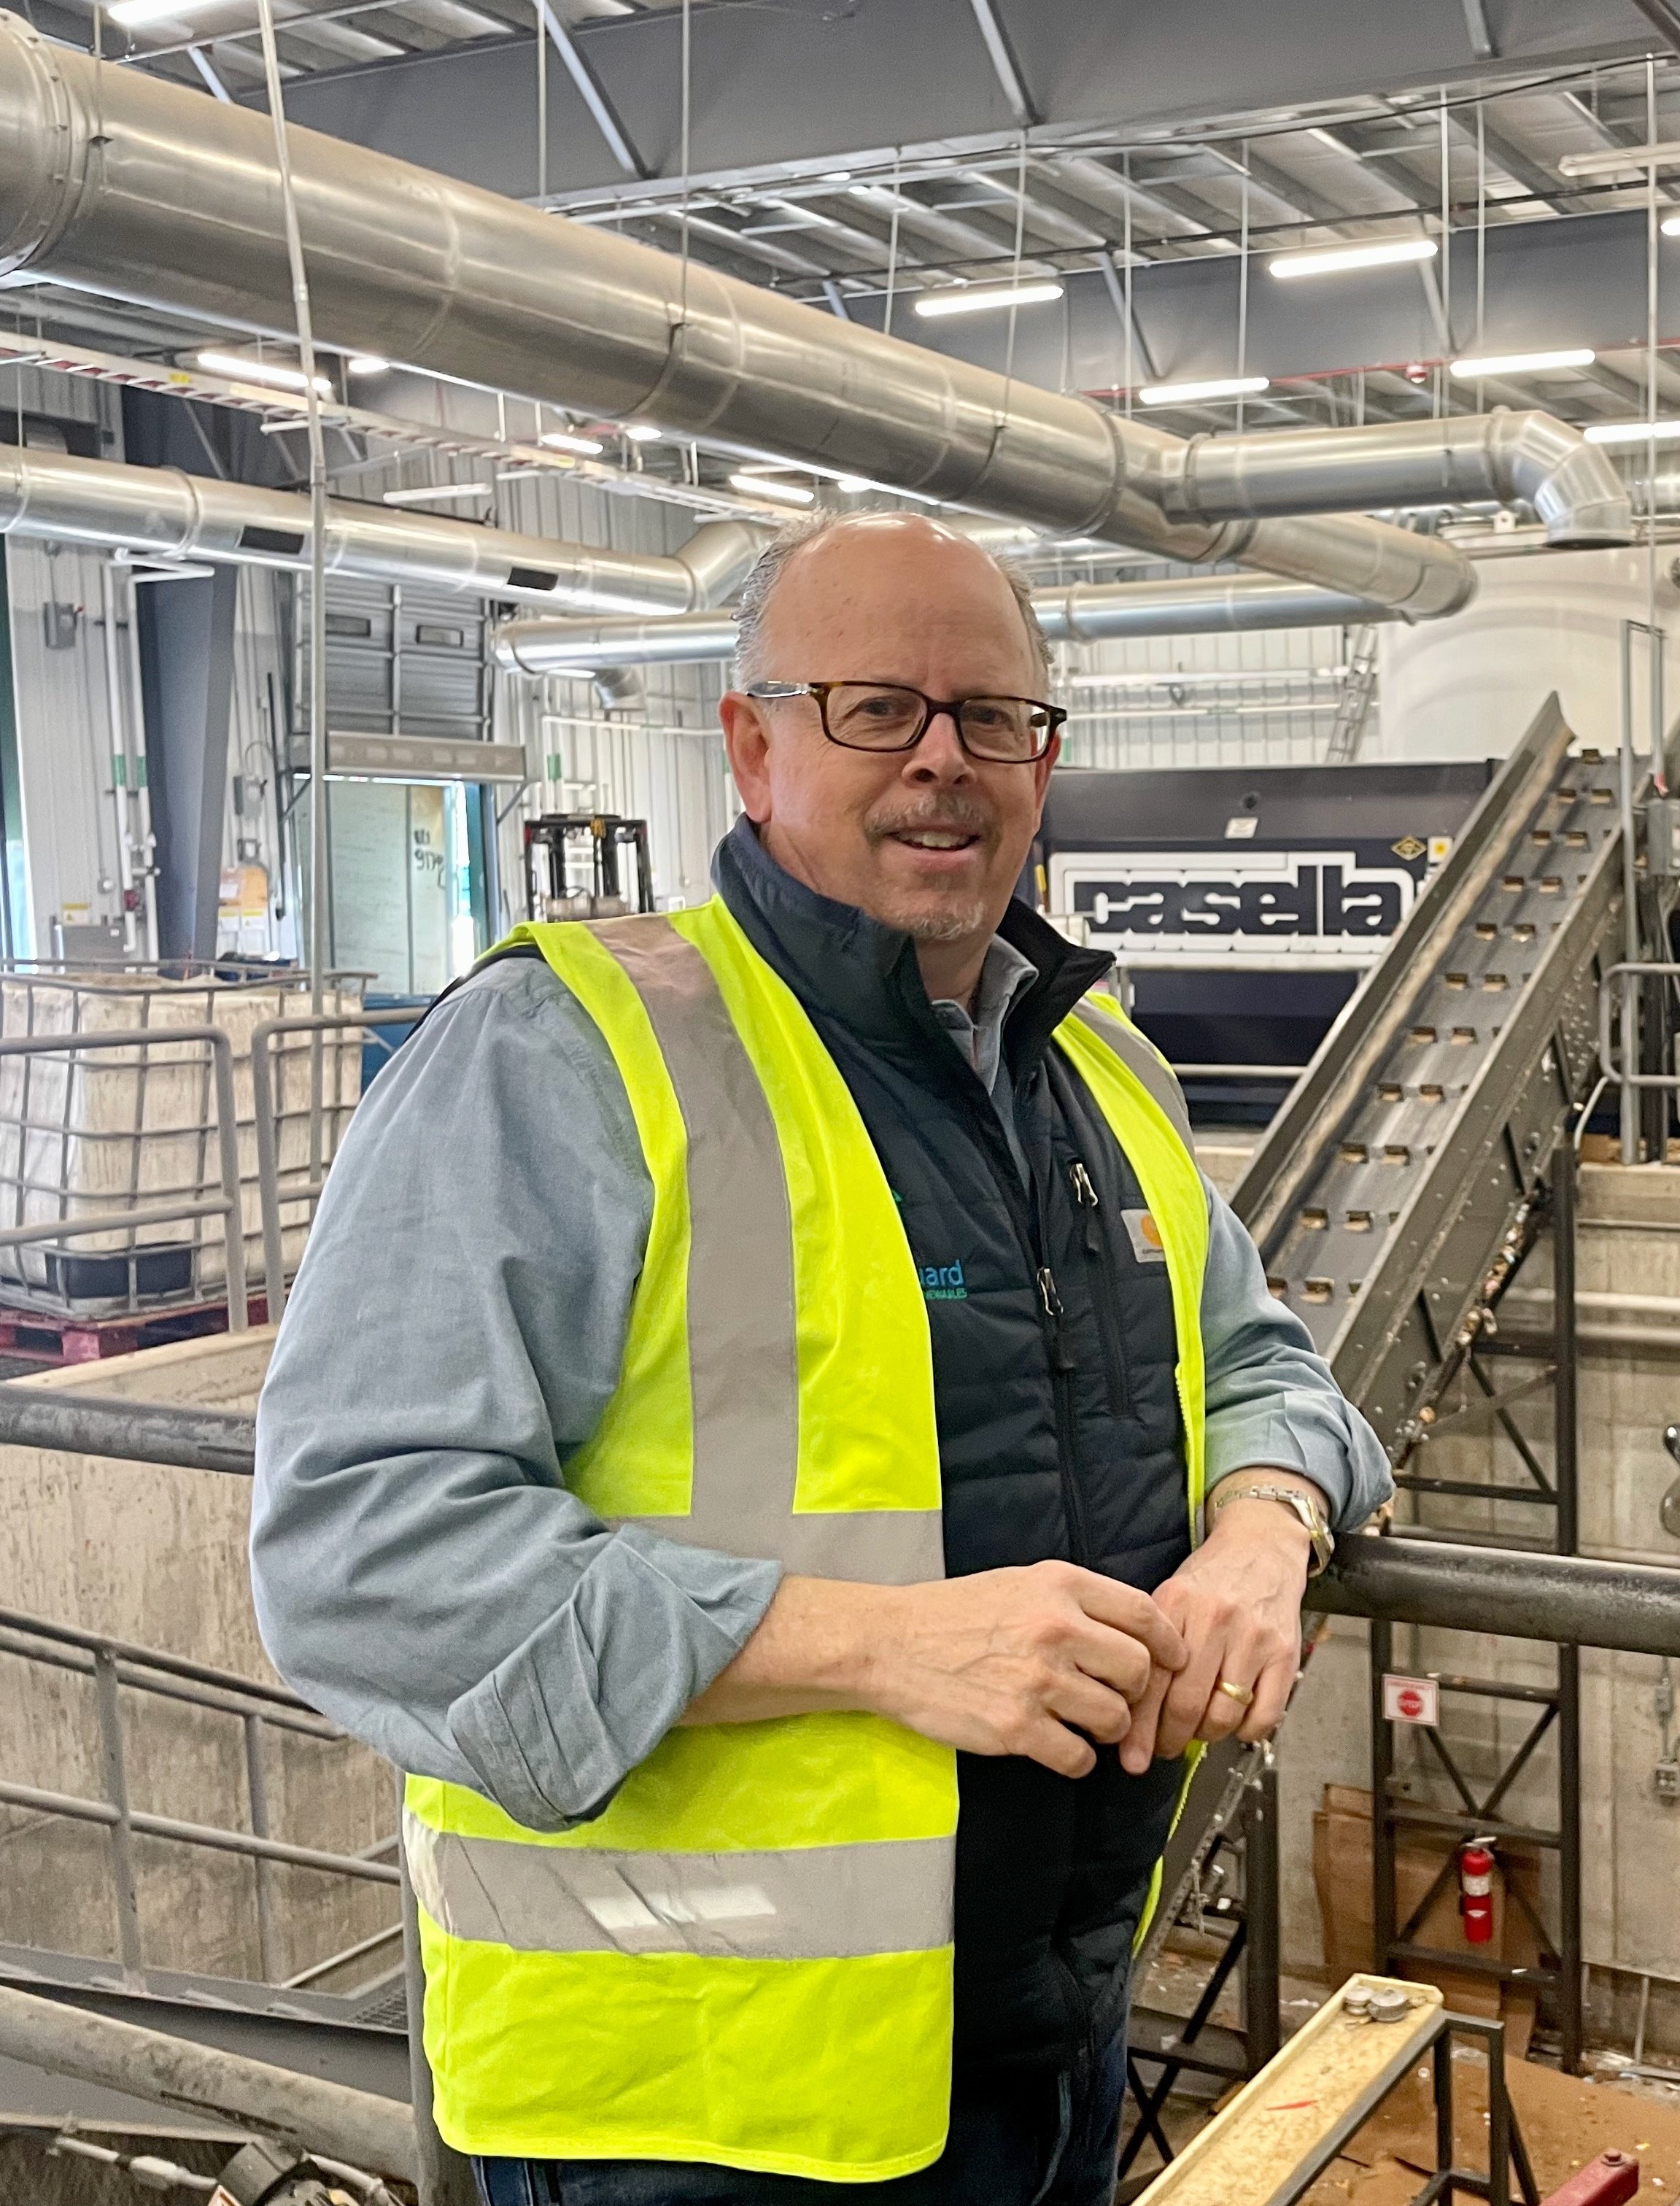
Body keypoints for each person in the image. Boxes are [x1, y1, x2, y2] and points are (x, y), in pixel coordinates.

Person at [249, 511, 1390, 2206]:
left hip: (1043, 2059)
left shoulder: (1096, 1073)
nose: (945, 762)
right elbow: (359, 1554)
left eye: (992, 718)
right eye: (879, 709)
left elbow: (1263, 1362)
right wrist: (876, 1648)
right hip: (690, 2121)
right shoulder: (563, 1055)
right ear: (751, 747)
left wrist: (1264, 1526)